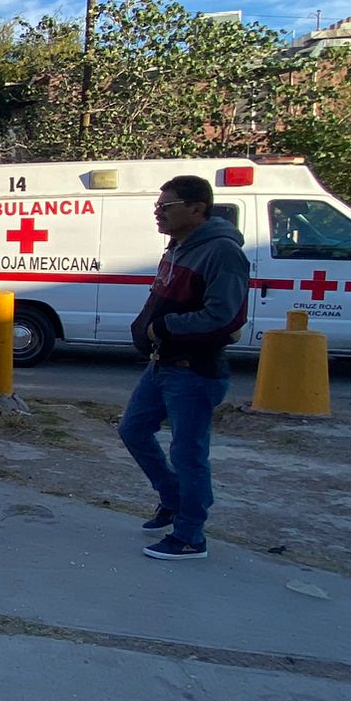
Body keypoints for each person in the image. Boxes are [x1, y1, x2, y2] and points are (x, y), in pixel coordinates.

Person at [120, 176, 249, 562]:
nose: (158, 214)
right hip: (162, 364)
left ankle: (190, 536)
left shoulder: (222, 252)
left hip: (194, 369)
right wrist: (143, 327)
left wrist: (164, 327)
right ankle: (173, 499)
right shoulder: (177, 248)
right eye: (156, 207)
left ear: (197, 208)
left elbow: (223, 314)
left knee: (188, 454)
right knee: (133, 429)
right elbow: (159, 297)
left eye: (167, 206)